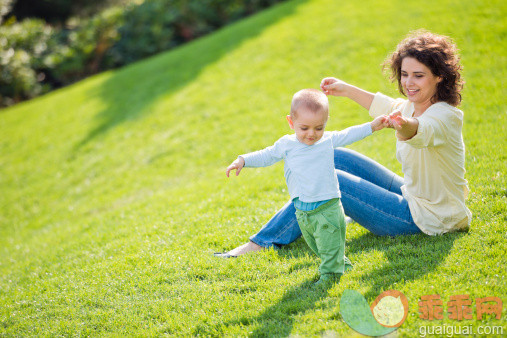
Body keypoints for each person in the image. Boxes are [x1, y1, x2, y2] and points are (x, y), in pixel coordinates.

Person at [216, 29, 472, 258]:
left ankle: (262, 242)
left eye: (418, 75)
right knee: (332, 154)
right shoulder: (411, 106)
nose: (408, 83)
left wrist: (402, 125)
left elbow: (422, 130)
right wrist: (346, 89)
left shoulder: (446, 116)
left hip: (429, 219)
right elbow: (382, 104)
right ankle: (327, 214)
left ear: (439, 76)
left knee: (326, 176)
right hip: (413, 195)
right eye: (404, 74)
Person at [223, 89, 388, 283]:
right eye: (304, 128)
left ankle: (331, 276)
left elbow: (349, 134)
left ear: (326, 122)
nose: (312, 134)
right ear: (291, 122)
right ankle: (340, 263)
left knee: (329, 245)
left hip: (328, 208)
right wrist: (243, 160)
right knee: (317, 244)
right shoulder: (286, 144)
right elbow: (266, 155)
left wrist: (372, 126)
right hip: (302, 211)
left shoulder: (327, 140)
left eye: (319, 128)